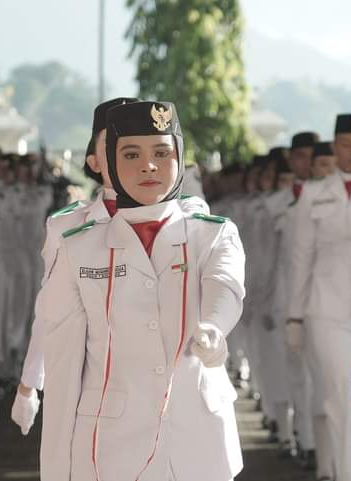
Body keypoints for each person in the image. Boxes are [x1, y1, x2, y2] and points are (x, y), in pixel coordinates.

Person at [39, 101, 245, 481]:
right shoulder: (78, 247)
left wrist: (214, 328)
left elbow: (226, 285)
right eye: (131, 154)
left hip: (199, 441)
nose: (149, 166)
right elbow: (63, 366)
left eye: (162, 153)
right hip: (110, 445)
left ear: (180, 157)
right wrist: (55, 471)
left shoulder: (212, 234)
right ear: (110, 163)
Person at [11, 97, 208, 435]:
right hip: (100, 382)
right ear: (94, 161)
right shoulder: (68, 227)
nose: (139, 160)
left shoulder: (188, 216)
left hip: (171, 379)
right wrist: (30, 382)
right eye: (117, 146)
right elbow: (51, 311)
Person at [288, 114, 351, 481]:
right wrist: (294, 316)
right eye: (345, 144)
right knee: (344, 396)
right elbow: (299, 257)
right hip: (326, 309)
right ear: (334, 146)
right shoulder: (314, 193)